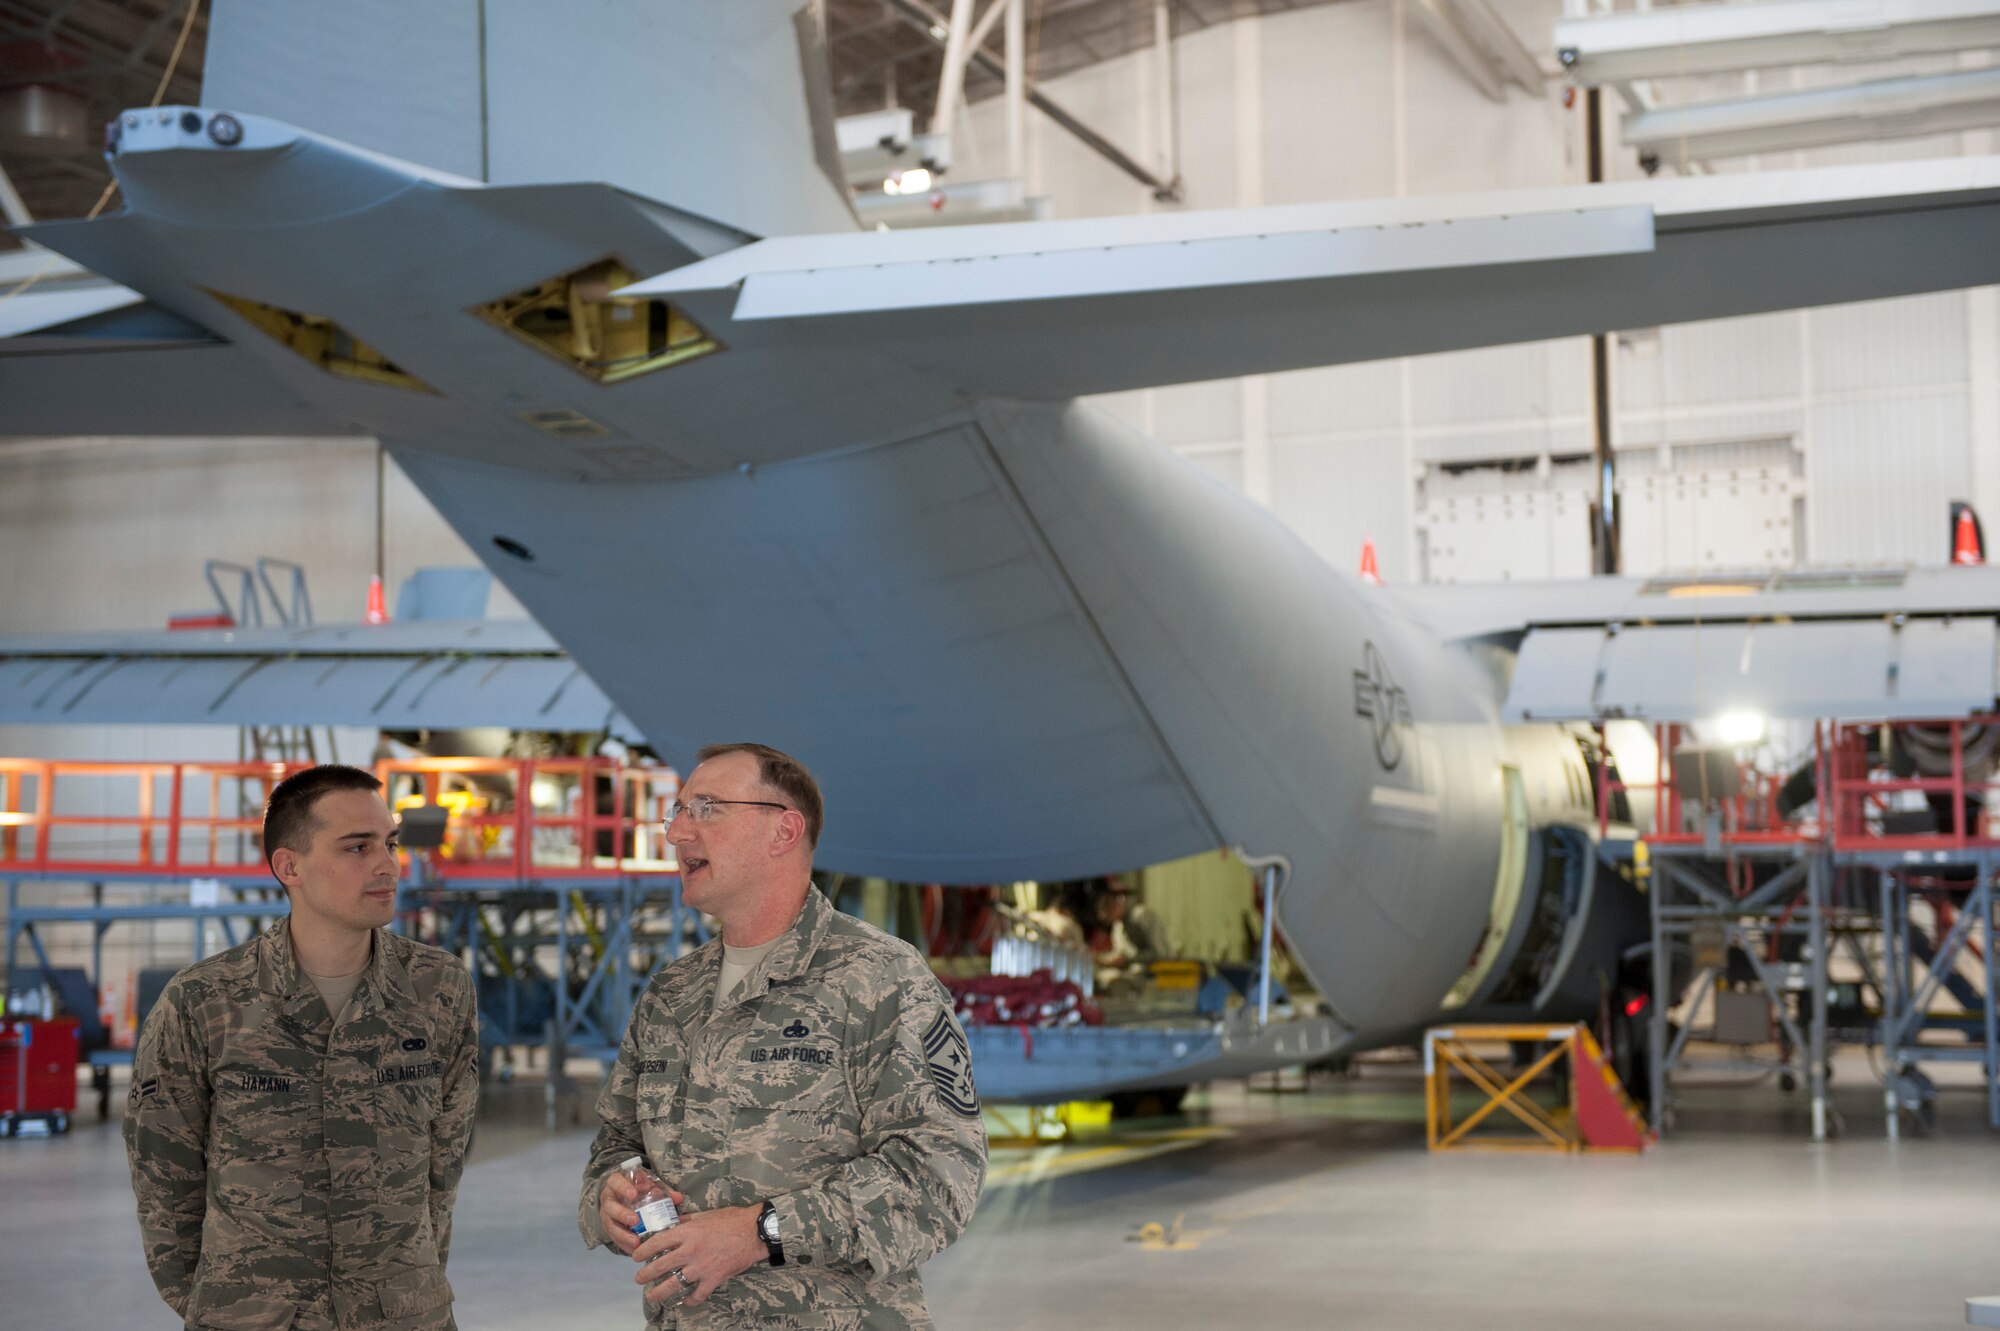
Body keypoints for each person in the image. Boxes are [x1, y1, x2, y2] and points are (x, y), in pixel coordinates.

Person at [579, 742, 986, 1328]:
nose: (677, 834)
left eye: (708, 808)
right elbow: (616, 1143)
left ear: (784, 831)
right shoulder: (671, 995)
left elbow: (940, 1178)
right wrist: (610, 1196)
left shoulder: (879, 979)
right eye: (678, 812)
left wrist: (760, 1232)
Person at [126, 764, 479, 1331]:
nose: (388, 864)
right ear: (289, 866)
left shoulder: (437, 988)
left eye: (389, 843)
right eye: (356, 847)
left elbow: (444, 1165)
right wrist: (219, 1305)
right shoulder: (204, 1002)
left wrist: (410, 1286)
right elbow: (163, 1179)